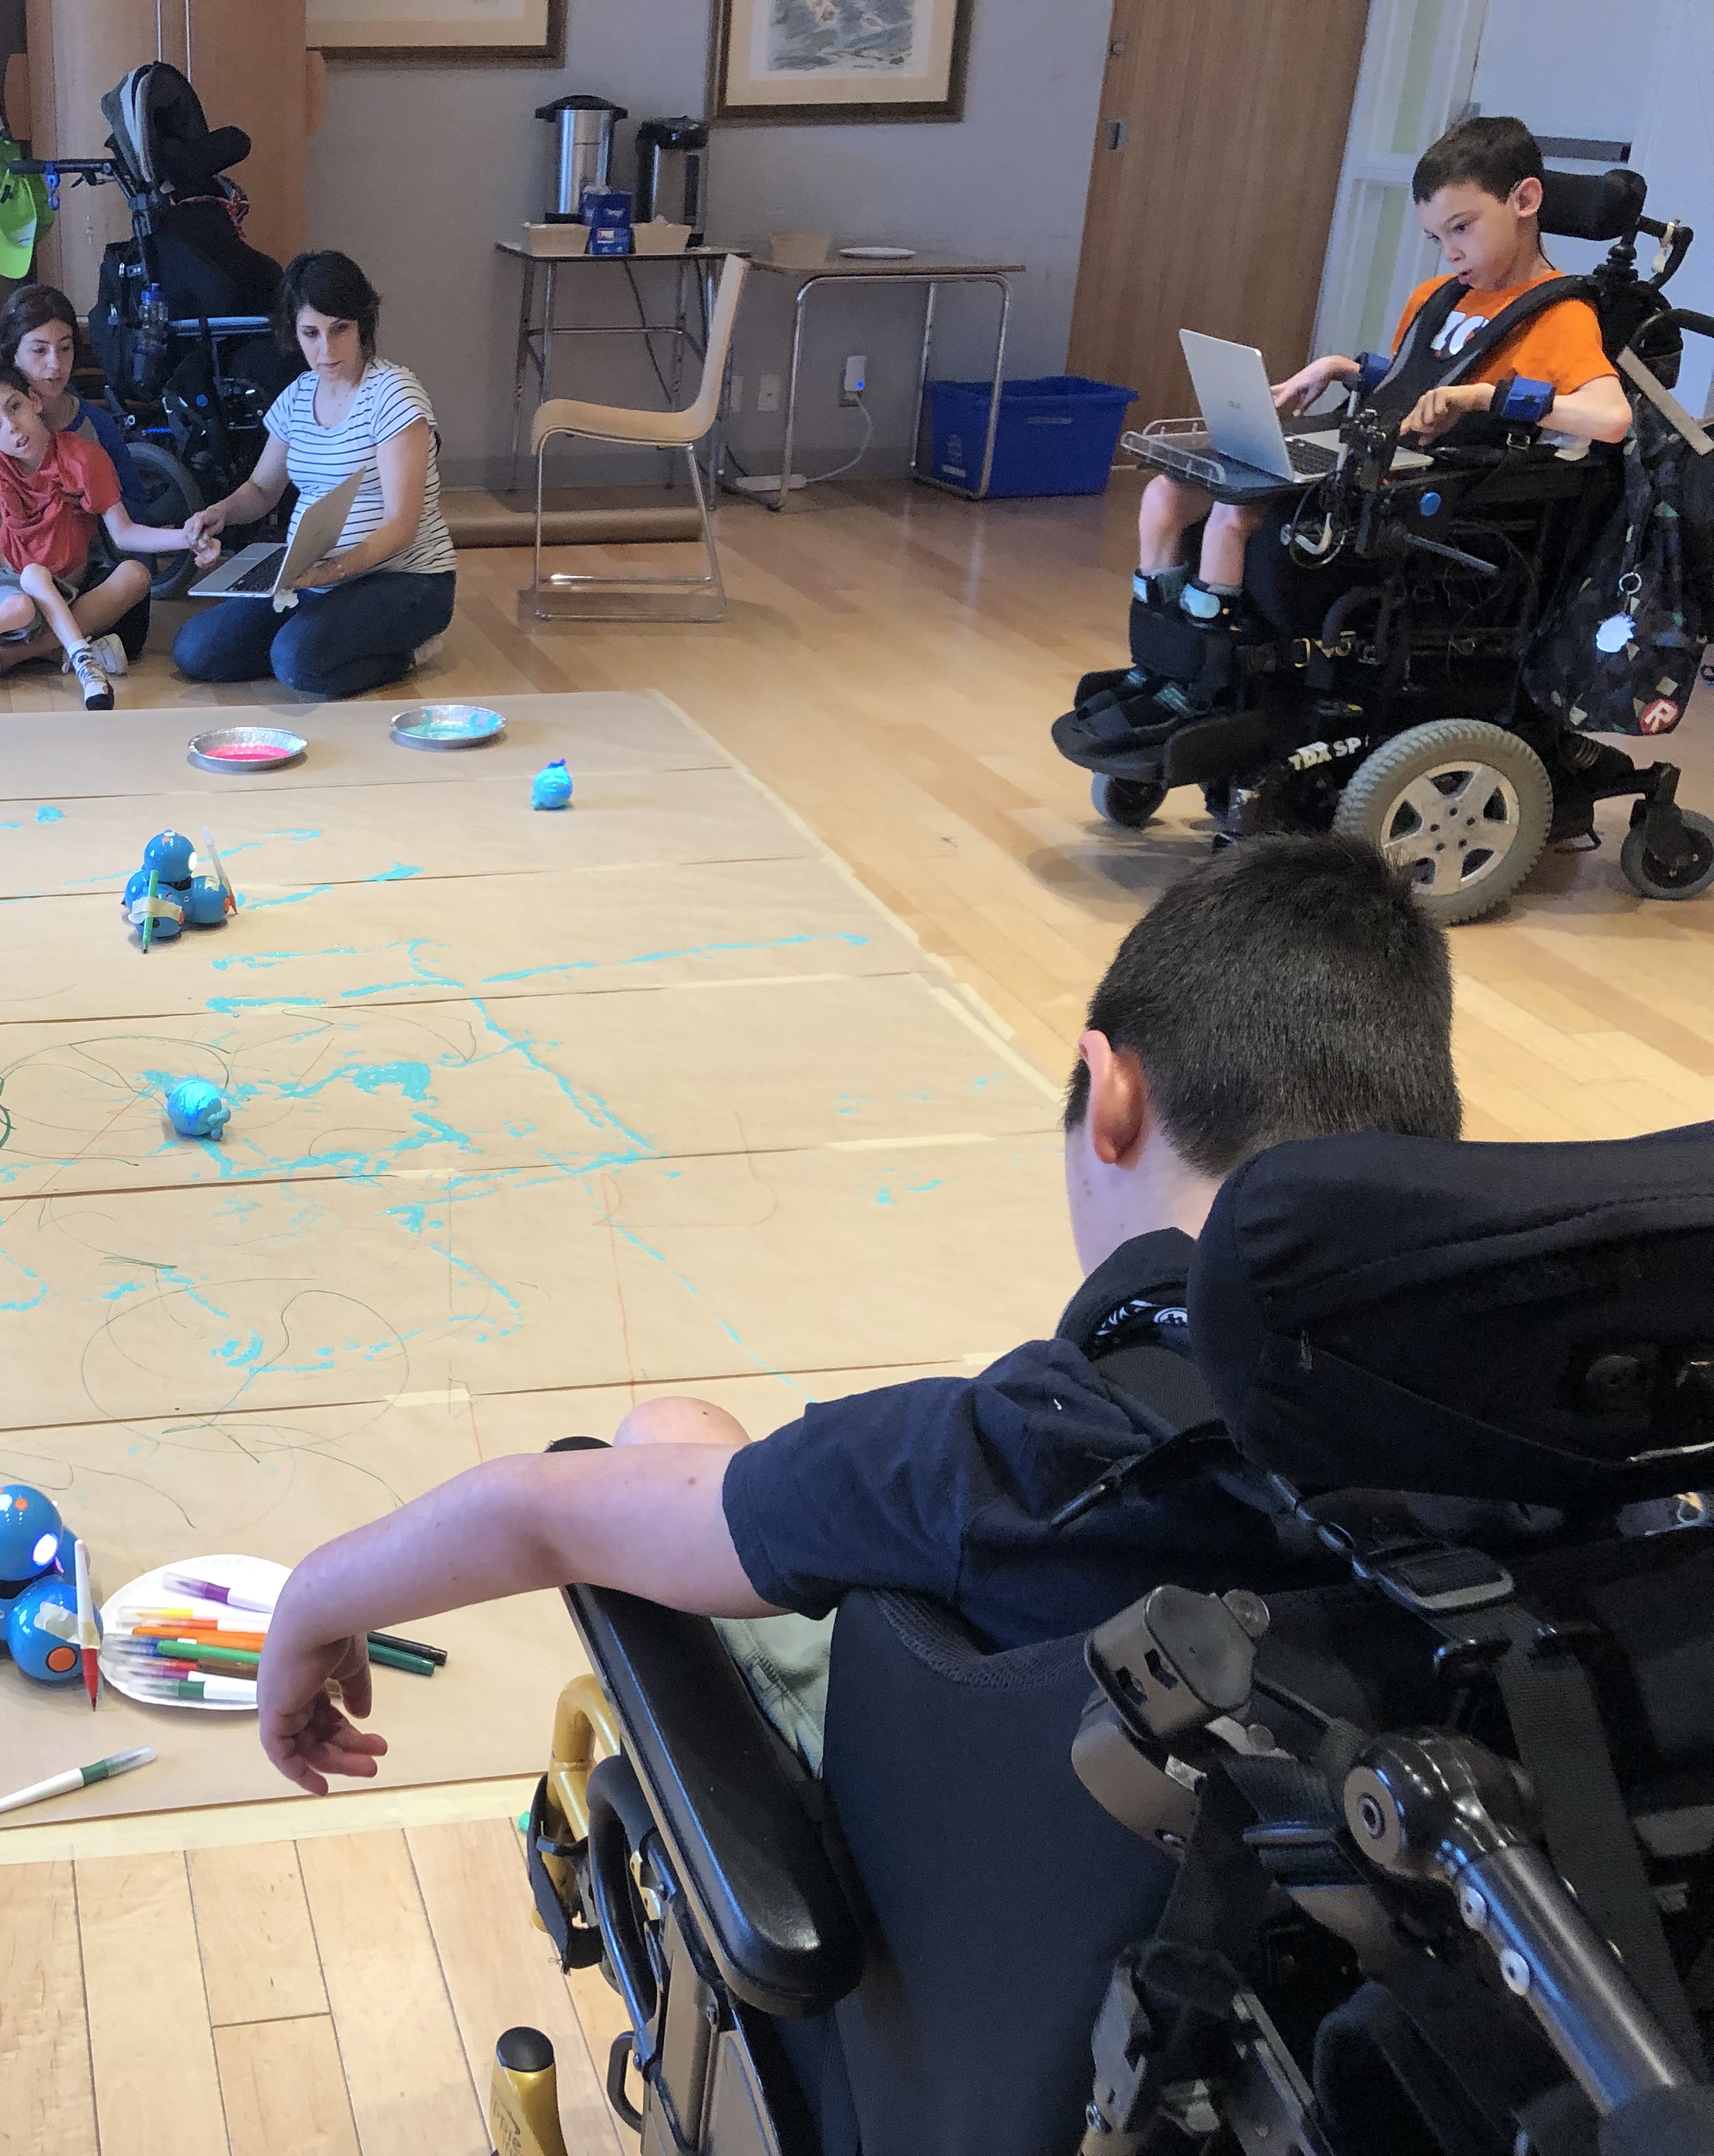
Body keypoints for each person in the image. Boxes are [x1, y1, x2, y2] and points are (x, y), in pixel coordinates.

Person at [250, 836, 1466, 1795]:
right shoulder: (1534, 1427)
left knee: (667, 1426)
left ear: (1111, 1095)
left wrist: (313, 1599)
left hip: (980, 1876)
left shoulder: (1009, 1452)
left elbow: (531, 1513)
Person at [1138, 115, 1632, 628]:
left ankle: (1209, 667)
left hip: (1421, 500)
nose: (1451, 252)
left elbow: (1612, 418)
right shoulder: (1437, 297)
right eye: (1436, 237)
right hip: (1369, 463)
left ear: (1525, 201)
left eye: (1462, 227)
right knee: (1165, 493)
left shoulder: (1559, 314)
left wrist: (1483, 397)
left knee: (1232, 514)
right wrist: (1338, 368)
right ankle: (1158, 654)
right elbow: (1408, 385)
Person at [173, 250, 456, 701]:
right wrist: (219, 513)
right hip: (314, 576)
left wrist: (331, 572)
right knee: (195, 651)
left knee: (297, 662)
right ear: (295, 335)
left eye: (339, 329)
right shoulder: (297, 396)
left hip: (406, 579)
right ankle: (321, 638)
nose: (326, 350)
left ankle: (408, 649)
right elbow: (262, 489)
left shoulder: (394, 393)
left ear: (363, 325)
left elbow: (403, 526)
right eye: (311, 334)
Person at [0, 360, 202, 717]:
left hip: (69, 590)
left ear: (34, 400)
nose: (12, 428)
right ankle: (71, 653)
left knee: (136, 576)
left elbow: (125, 533)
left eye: (14, 407)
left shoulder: (84, 457)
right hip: (7, 592)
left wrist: (187, 539)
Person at [0, 282, 158, 677]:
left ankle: (4, 658)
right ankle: (64, 649)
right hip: (4, 586)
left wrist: (89, 502)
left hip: (75, 582)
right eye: (39, 350)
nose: (55, 365)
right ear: (13, 354)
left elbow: (133, 509)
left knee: (134, 585)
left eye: (66, 347)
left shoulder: (95, 425)